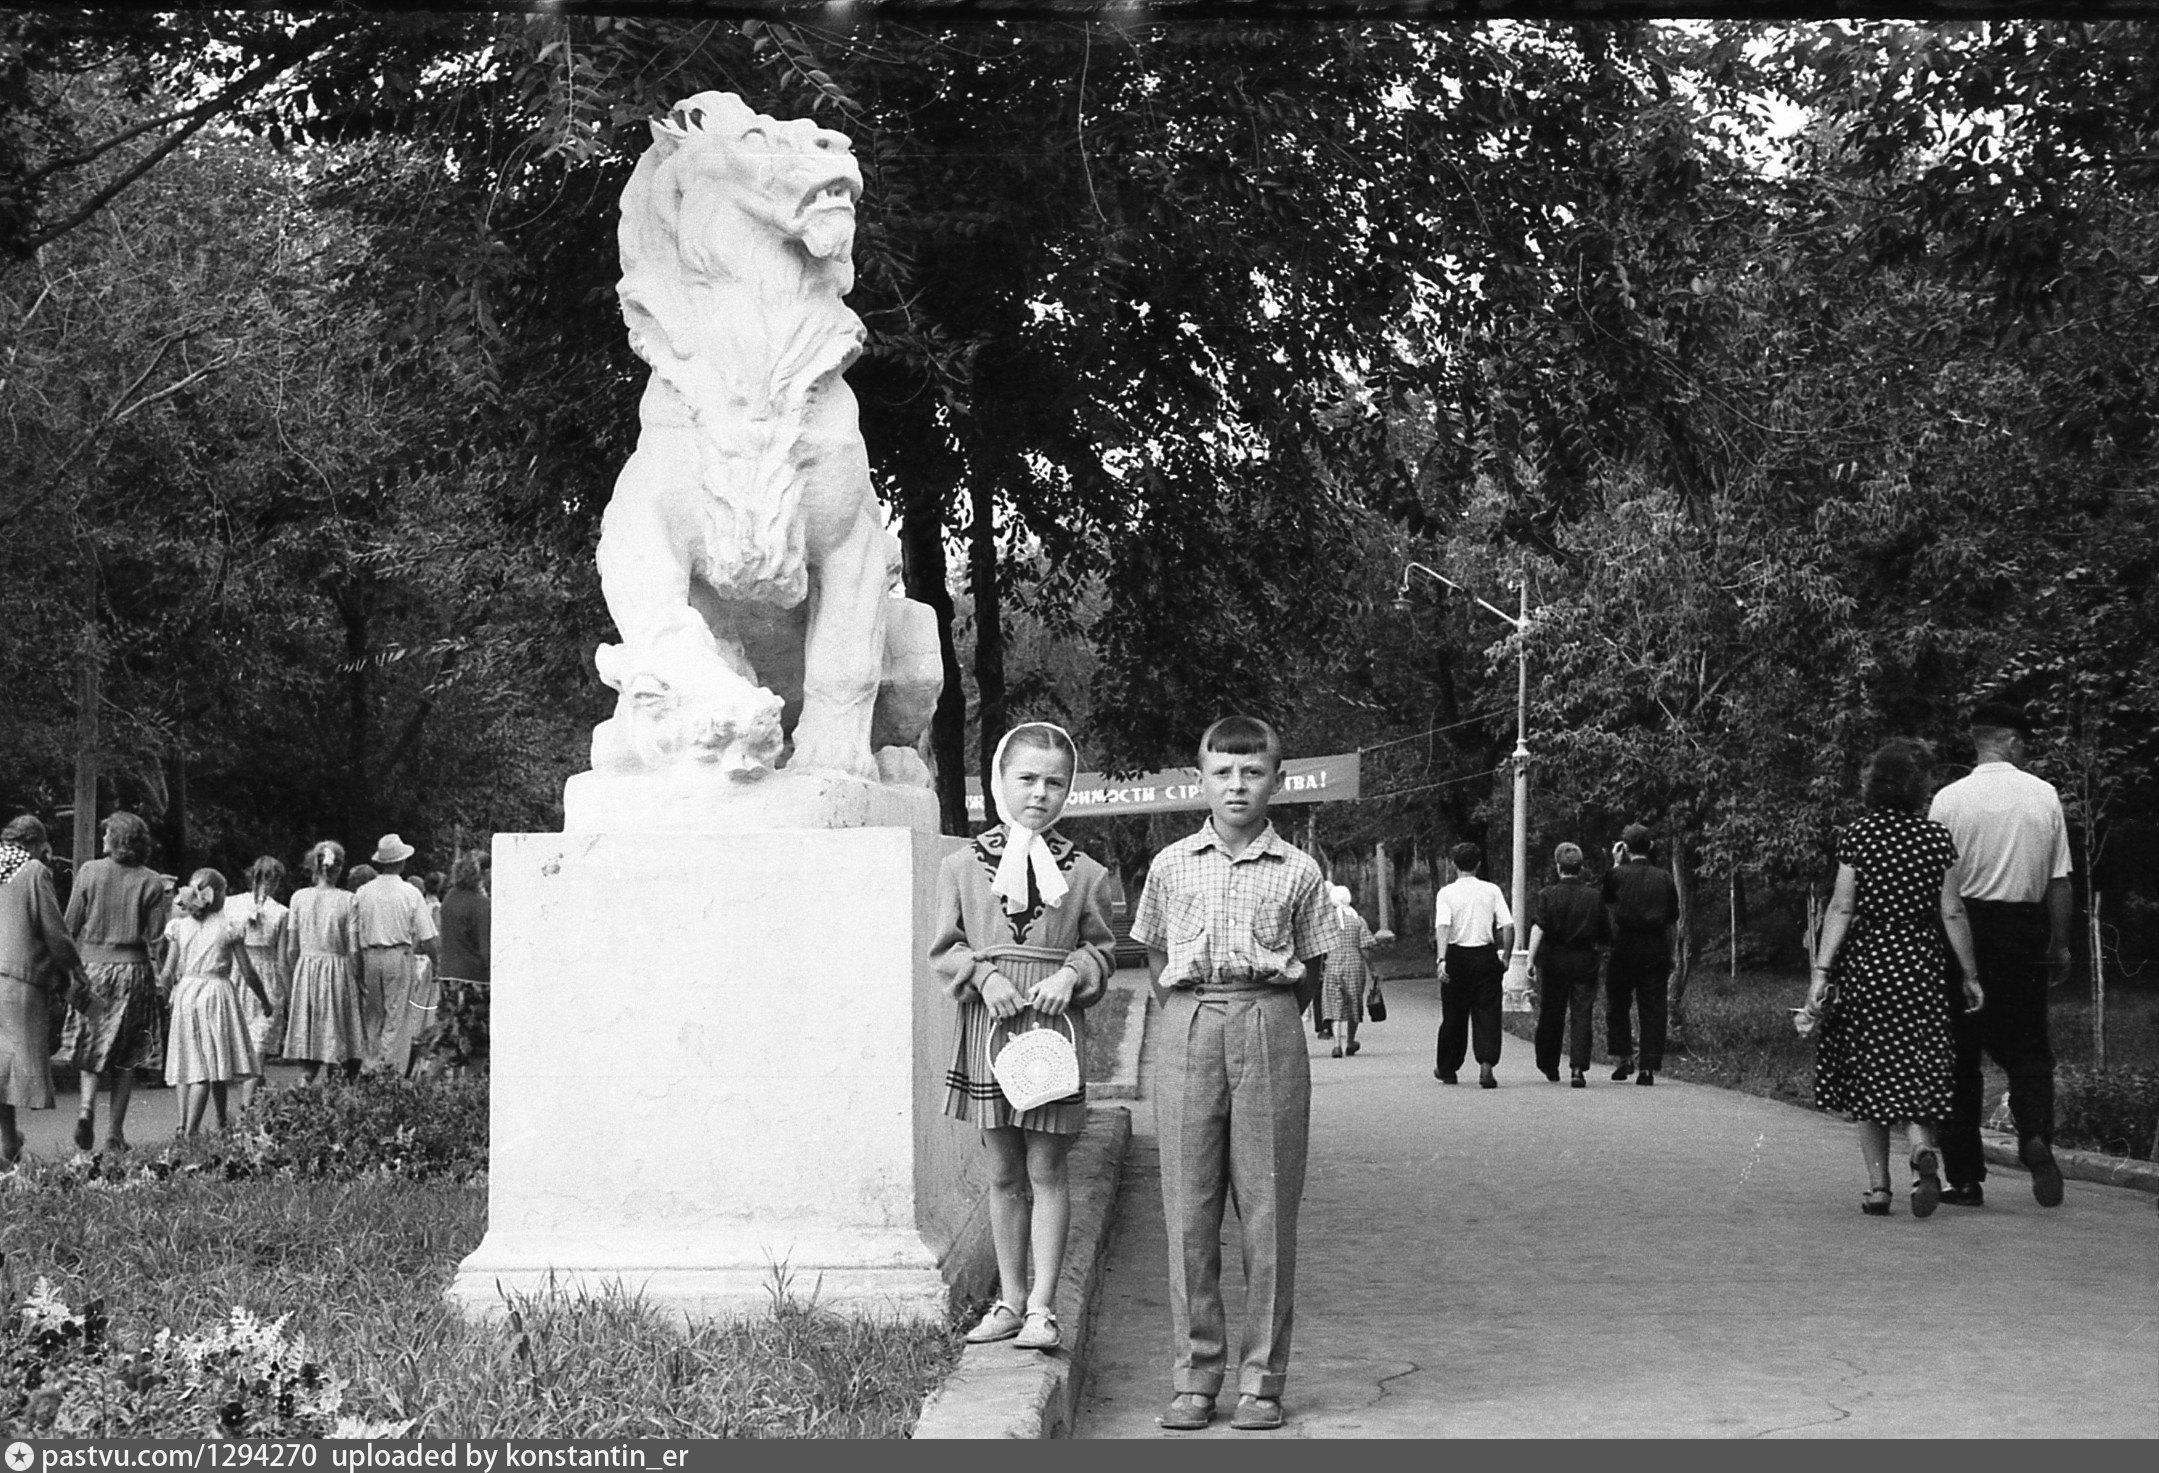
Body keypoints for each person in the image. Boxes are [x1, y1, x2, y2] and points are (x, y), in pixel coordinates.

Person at [1130, 715, 1336, 1433]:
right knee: (1188, 1208)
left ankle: (1262, 1381)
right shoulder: (1170, 863)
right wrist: (1195, 1010)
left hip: (1268, 1021)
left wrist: (1262, 1012)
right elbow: (1154, 957)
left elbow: (1312, 967)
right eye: (1223, 771)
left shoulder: (1300, 870)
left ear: (1276, 780)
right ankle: (1194, 1376)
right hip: (1188, 1020)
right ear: (1202, 778)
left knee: (1267, 1208)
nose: (1237, 785)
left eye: (1252, 772)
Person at [932, 722, 1118, 1356]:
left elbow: (1102, 948)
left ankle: (1043, 1306)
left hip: (1052, 1032)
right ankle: (1009, 1300)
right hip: (991, 1028)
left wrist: (1073, 973)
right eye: (1027, 778)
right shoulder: (959, 867)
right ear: (999, 782)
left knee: (1048, 1167)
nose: (1040, 793)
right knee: (1004, 1168)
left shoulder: (1087, 873)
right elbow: (945, 948)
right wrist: (981, 977)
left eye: (1055, 782)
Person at [1805, 740, 1984, 1217]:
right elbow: (1952, 910)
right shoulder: (1935, 839)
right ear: (1918, 785)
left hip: (1869, 965)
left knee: (1869, 1069)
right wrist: (1969, 974)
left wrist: (1822, 971)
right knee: (1918, 1062)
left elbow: (1842, 906)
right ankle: (1922, 1148)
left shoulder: (1859, 836)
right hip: (1920, 965)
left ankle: (1879, 1188)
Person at [1927, 700, 2075, 1208]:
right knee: (2030, 1049)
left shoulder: (1947, 800)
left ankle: (1965, 1177)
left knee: (1960, 1058)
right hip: (2023, 927)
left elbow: (1937, 886)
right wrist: (2058, 942)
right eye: (2024, 741)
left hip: (1964, 929)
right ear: (2010, 741)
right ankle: (2034, 1135)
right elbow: (2059, 880)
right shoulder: (2044, 795)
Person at [58, 810, 168, 1154]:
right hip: (133, 973)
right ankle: (115, 1133)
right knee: (128, 1053)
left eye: (107, 834)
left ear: (117, 839)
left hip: (95, 972)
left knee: (92, 1043)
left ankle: (86, 1108)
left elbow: (69, 924)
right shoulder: (152, 882)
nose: (102, 838)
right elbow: (155, 937)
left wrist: (69, 972)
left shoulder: (90, 872)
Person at [0, 816, 92, 1170]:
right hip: (19, 980)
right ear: (37, 842)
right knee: (11, 1066)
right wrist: (74, 971)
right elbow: (55, 931)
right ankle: (8, 1142)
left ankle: (9, 1140)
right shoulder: (34, 870)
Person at [159, 868, 271, 1137]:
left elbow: (168, 970)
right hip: (215, 993)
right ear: (217, 895)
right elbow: (247, 971)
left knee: (190, 1059)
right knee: (210, 1063)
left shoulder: (181, 926)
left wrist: (164, 996)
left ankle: (197, 1121)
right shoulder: (228, 927)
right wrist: (264, 1000)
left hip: (186, 992)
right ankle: (191, 1131)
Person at [353, 834, 439, 1075]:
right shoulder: (410, 893)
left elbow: (354, 931)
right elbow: (427, 936)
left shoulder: (363, 892)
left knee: (374, 1014)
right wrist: (436, 963)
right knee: (397, 1015)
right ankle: (388, 1070)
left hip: (370, 954)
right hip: (398, 955)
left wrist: (357, 963)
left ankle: (371, 1065)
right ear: (401, 862)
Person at [1602, 823, 1678, 1086]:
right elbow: (1672, 917)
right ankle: (1648, 1066)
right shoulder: (1664, 877)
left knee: (1618, 1002)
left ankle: (1624, 1056)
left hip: (1625, 943)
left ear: (1624, 848)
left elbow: (1607, 900)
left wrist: (1615, 863)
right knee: (1654, 1006)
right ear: (1651, 846)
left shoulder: (1618, 875)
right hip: (1655, 944)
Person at [283, 841, 365, 1084]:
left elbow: (291, 949)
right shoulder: (348, 900)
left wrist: (297, 976)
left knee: (309, 1050)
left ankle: (302, 1095)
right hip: (337, 972)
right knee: (338, 1041)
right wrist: (359, 978)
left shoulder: (299, 898)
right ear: (338, 867)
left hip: (306, 971)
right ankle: (335, 1099)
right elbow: (354, 948)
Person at [1526, 842, 1607, 1087]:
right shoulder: (1594, 897)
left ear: (1558, 867)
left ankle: (1549, 1065)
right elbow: (1605, 934)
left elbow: (1539, 927)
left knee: (1552, 1011)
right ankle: (1578, 1068)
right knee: (1582, 1013)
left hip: (1555, 960)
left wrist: (1530, 959)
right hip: (1585, 959)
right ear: (1580, 868)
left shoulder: (1548, 895)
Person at [1432, 841, 1512, 1089]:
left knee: (1454, 1014)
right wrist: (1506, 956)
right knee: (1487, 1011)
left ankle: (1448, 1067)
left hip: (1457, 956)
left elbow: (1443, 926)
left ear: (1454, 864)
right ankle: (1486, 1063)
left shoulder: (1446, 893)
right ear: (1478, 864)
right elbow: (1507, 926)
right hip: (1485, 956)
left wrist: (1442, 958)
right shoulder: (1491, 890)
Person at [225, 856, 295, 1107]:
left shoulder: (231, 904)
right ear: (275, 881)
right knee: (258, 1046)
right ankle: (247, 1107)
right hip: (266, 977)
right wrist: (289, 994)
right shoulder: (282, 912)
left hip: (237, 972)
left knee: (247, 1042)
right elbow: (283, 957)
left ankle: (253, 1101)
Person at [424, 853, 492, 1079]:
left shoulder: (451, 897)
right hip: (475, 980)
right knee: (478, 1045)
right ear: (483, 873)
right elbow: (486, 949)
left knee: (447, 1036)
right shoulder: (482, 905)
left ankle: (425, 1084)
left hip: (449, 975)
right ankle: (468, 1092)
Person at [1321, 884, 1377, 1058]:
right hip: (1354, 963)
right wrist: (1373, 969)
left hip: (1333, 962)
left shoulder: (1328, 922)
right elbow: (1365, 947)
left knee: (1334, 1001)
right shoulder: (1358, 920)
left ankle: (1337, 1044)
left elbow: (1320, 946)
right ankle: (1350, 1041)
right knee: (1354, 1000)